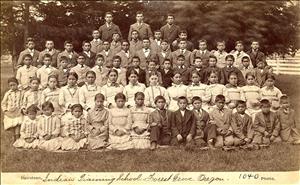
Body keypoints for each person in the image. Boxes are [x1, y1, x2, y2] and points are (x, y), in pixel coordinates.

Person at [1, 77, 23, 141]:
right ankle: (13, 137)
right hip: (10, 112)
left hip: (18, 111)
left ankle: (17, 138)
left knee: (18, 123)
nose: (12, 87)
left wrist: (21, 109)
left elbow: (22, 101)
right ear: (9, 86)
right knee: (12, 123)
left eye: (14, 85)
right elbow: (3, 103)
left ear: (17, 84)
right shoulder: (8, 93)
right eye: (11, 85)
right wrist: (5, 111)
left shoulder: (21, 92)